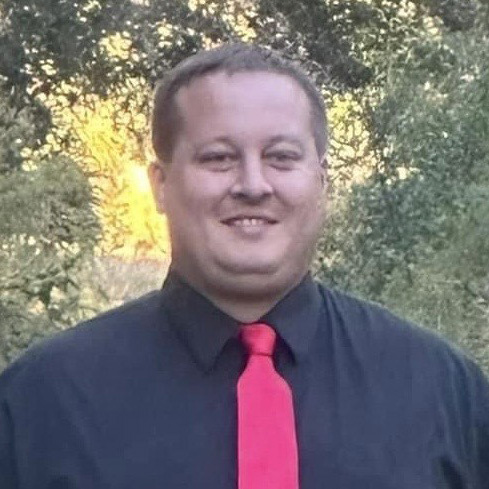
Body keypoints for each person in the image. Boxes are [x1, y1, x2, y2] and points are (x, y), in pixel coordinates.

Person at [1, 43, 488, 489]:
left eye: (281, 157)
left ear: (321, 181)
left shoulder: (445, 393)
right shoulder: (42, 403)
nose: (253, 184)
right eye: (218, 158)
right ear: (160, 185)